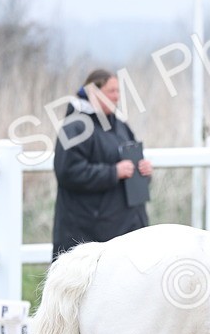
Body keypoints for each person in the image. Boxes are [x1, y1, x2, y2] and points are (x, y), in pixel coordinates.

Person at [52, 69, 152, 260]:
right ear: (93, 93)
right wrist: (113, 172)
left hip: (125, 227)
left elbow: (133, 168)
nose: (116, 97)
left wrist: (144, 172)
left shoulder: (121, 126)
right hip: (88, 233)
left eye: (118, 91)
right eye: (111, 91)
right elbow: (67, 172)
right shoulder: (75, 127)